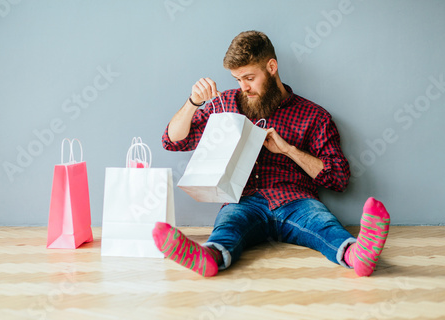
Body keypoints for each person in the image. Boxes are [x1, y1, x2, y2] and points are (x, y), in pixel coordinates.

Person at [153, 30, 390, 278]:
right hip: (243, 201)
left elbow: (338, 178)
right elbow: (172, 141)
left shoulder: (313, 115)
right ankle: (209, 256)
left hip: (296, 201)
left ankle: (357, 254)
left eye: (249, 77)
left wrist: (289, 150)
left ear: (272, 67)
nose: (243, 87)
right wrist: (193, 102)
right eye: (237, 79)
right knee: (227, 229)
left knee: (324, 225)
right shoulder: (225, 104)